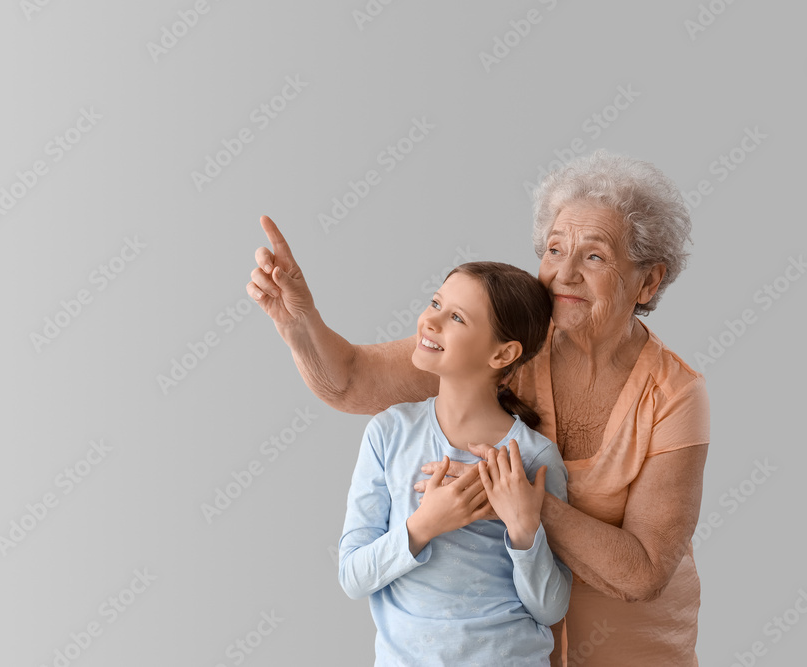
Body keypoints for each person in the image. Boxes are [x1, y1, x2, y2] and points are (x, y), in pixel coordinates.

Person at [247, 150, 710, 665]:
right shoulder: (505, 348)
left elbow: (643, 572)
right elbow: (351, 381)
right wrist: (300, 322)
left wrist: (521, 503)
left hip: (634, 652)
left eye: (595, 256)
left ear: (647, 281)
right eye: (554, 250)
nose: (564, 274)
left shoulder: (676, 395)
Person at [338, 262, 571, 665]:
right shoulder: (389, 434)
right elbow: (353, 578)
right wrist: (425, 524)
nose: (430, 319)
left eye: (456, 317)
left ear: (503, 353)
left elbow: (550, 609)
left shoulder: (533, 458)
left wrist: (522, 528)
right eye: (435, 303)